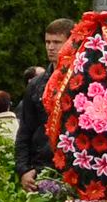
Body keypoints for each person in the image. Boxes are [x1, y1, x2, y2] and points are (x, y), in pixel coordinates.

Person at [15, 18, 75, 191]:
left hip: (75, 167)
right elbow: (25, 130)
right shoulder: (36, 84)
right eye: (47, 42)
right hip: (42, 169)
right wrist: (23, 170)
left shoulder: (82, 81)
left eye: (57, 42)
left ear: (71, 43)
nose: (50, 47)